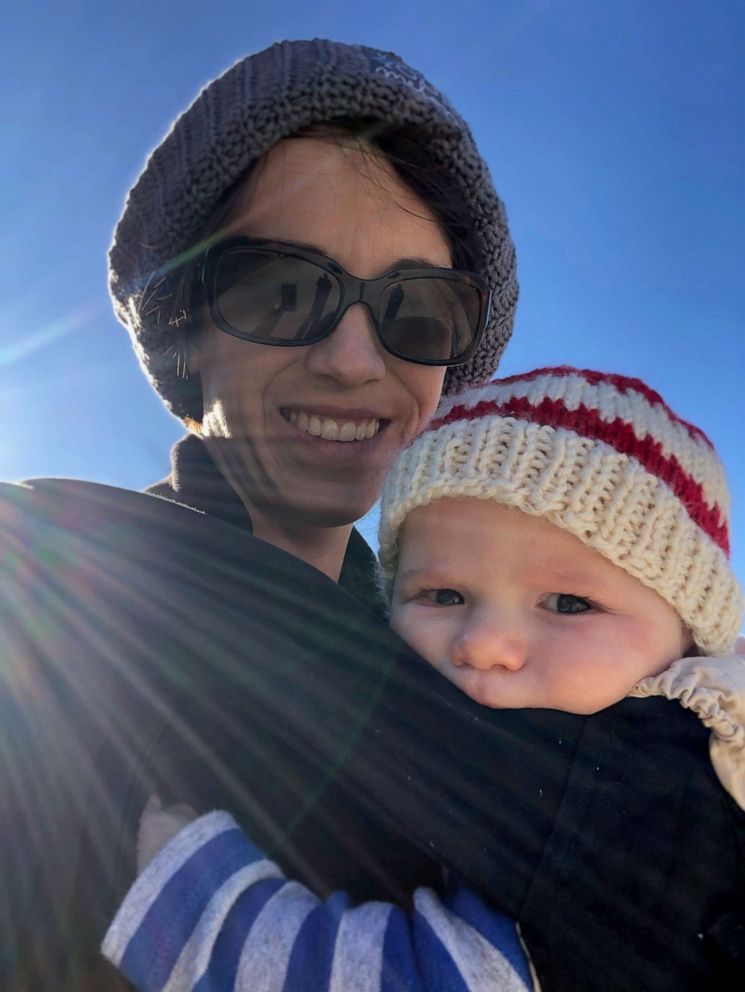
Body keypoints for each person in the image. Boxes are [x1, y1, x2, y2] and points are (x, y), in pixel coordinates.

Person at [2, 39, 742, 991]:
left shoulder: (492, 672)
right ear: (184, 325)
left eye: (415, 309)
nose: (354, 359)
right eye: (281, 290)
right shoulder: (62, 595)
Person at [101, 367, 745, 991]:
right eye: (442, 595)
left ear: (686, 638)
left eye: (570, 604)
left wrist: (189, 899)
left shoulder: (638, 804)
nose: (486, 645)